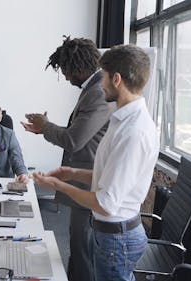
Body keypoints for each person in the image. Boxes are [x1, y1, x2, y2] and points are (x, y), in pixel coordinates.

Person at [33, 44, 159, 281]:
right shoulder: (123, 121)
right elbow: (110, 176)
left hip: (116, 239)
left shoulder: (133, 132)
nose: (100, 84)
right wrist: (73, 173)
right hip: (113, 234)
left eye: (102, 77)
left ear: (117, 79)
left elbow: (105, 203)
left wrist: (58, 185)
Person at [21, 36, 114, 281]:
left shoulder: (97, 93)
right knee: (78, 246)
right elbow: (80, 134)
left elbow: (74, 140)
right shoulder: (92, 88)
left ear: (78, 68)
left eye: (66, 71)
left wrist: (46, 127)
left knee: (84, 250)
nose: (66, 77)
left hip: (90, 181)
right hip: (84, 177)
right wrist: (46, 128)